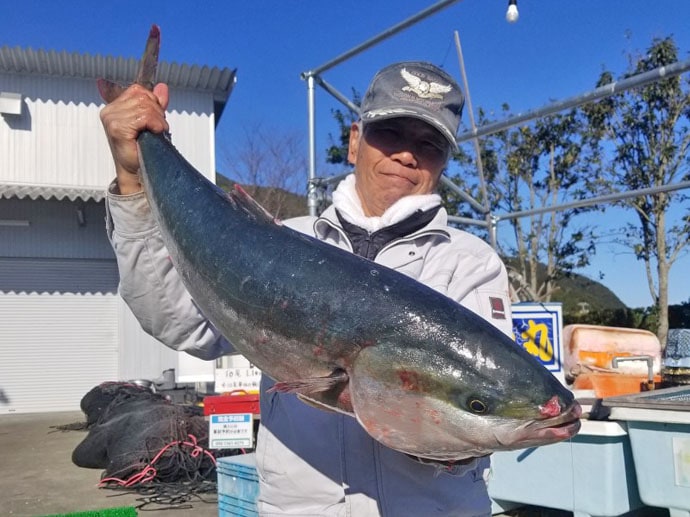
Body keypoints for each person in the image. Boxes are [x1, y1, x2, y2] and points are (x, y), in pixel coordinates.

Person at [101, 60, 514, 517]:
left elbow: (484, 405)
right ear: (355, 139)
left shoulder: (470, 263)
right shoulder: (280, 238)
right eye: (391, 133)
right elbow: (179, 324)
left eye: (429, 143)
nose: (407, 155)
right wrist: (133, 178)